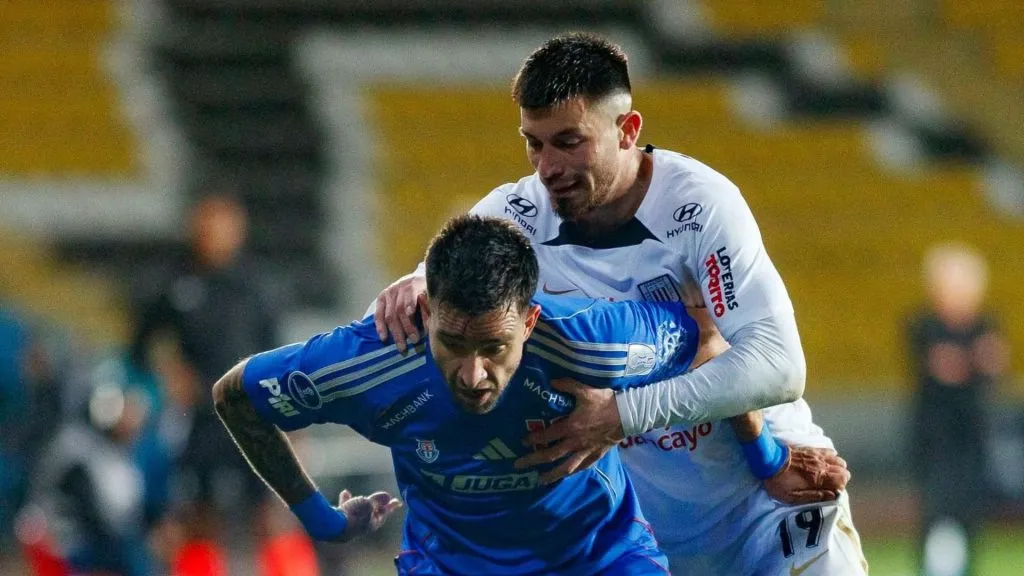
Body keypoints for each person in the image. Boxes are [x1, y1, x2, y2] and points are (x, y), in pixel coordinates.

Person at [373, 33, 865, 574]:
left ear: (627, 131)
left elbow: (779, 366)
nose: (548, 167)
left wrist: (621, 415)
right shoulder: (519, 214)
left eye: (569, 141)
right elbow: (443, 277)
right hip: (638, 526)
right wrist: (417, 281)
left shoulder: (700, 207)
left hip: (766, 493)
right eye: (534, 143)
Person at [214, 215, 806, 575]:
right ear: (425, 309)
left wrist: (765, 458)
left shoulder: (595, 344)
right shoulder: (371, 361)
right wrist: (320, 519)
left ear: (529, 323)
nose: (472, 374)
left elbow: (709, 340)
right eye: (451, 343)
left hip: (600, 561)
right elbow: (235, 397)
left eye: (493, 347)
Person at [908, 243, 1009, 576]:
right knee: (938, 512)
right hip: (936, 437)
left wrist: (970, 362)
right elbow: (945, 367)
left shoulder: (985, 323)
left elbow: (994, 363)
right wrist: (974, 361)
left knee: (971, 513)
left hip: (972, 434)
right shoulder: (924, 325)